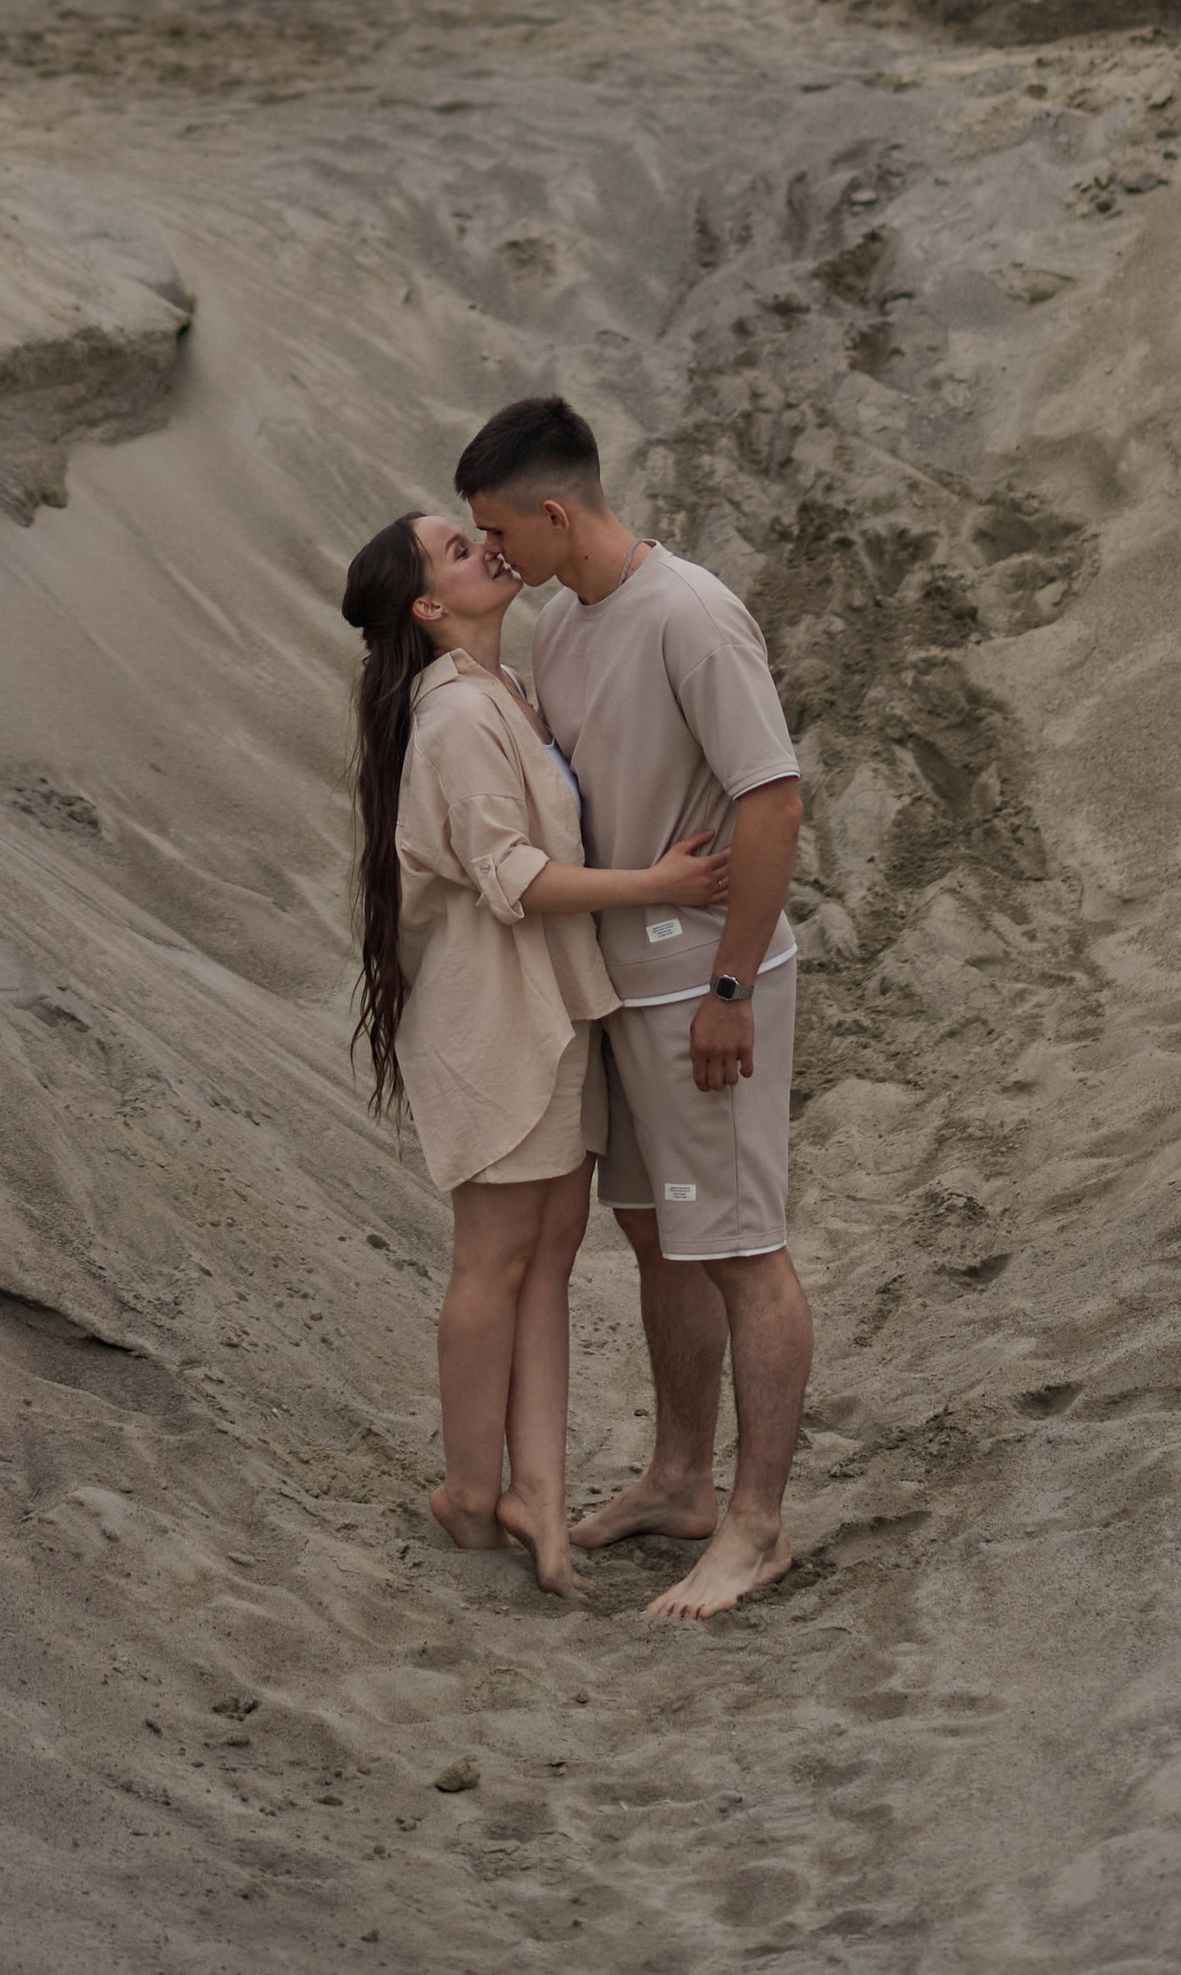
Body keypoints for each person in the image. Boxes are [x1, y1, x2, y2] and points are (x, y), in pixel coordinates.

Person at [456, 396, 812, 1625]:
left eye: (502, 534)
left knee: (742, 1249)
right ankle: (680, 1481)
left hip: (705, 985)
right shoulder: (560, 625)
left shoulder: (692, 616)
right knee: (662, 1239)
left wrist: (729, 987)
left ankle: (757, 1529)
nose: (496, 559)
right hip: (619, 987)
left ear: (557, 512)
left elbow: (772, 800)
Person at [342, 510, 733, 1597]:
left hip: (549, 1008)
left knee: (550, 1254)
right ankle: (472, 1488)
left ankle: (539, 1504)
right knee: (495, 1256)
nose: (483, 548)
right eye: (457, 550)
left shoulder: (501, 691)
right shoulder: (459, 716)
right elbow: (509, 875)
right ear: (427, 606)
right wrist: (655, 887)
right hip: (491, 1021)